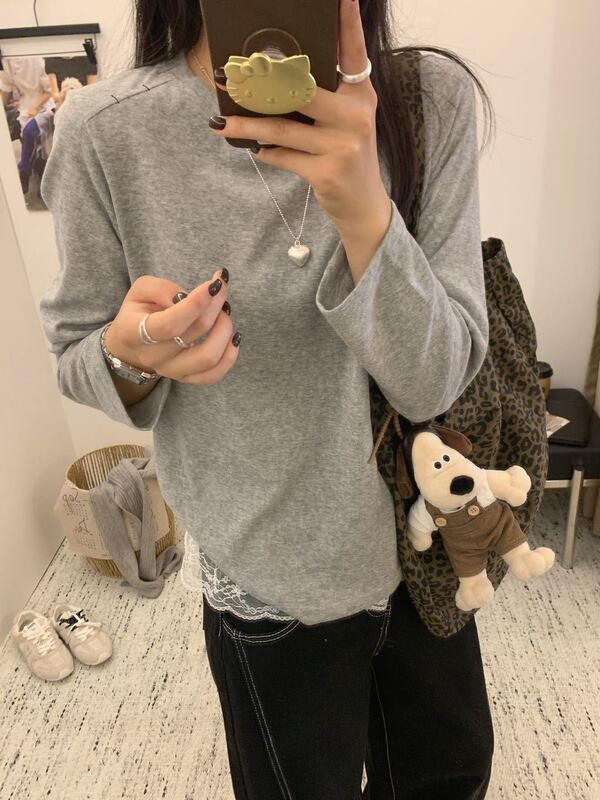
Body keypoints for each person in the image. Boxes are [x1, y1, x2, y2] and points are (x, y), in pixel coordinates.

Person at [38, 0, 497, 796]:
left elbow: (436, 380)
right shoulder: (105, 131)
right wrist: (135, 352)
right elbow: (79, 355)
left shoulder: (428, 100)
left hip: (428, 547)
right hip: (267, 581)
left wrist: (364, 208)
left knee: (448, 777)